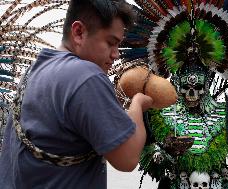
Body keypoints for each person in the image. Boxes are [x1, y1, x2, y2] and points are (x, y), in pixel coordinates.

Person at [0, 0, 153, 188]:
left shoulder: (34, 70)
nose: (116, 54)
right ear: (79, 32)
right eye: (111, 43)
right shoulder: (86, 77)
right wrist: (137, 105)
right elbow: (127, 159)